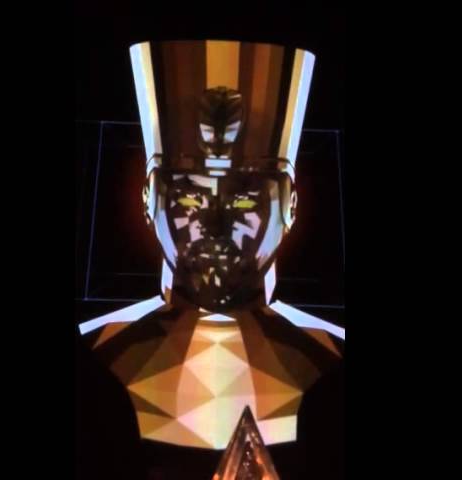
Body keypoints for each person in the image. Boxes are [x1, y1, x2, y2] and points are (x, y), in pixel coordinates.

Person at [78, 40, 345, 479]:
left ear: (290, 203)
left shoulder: (329, 360)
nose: (215, 224)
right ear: (149, 198)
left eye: (244, 199)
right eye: (189, 197)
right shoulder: (97, 356)